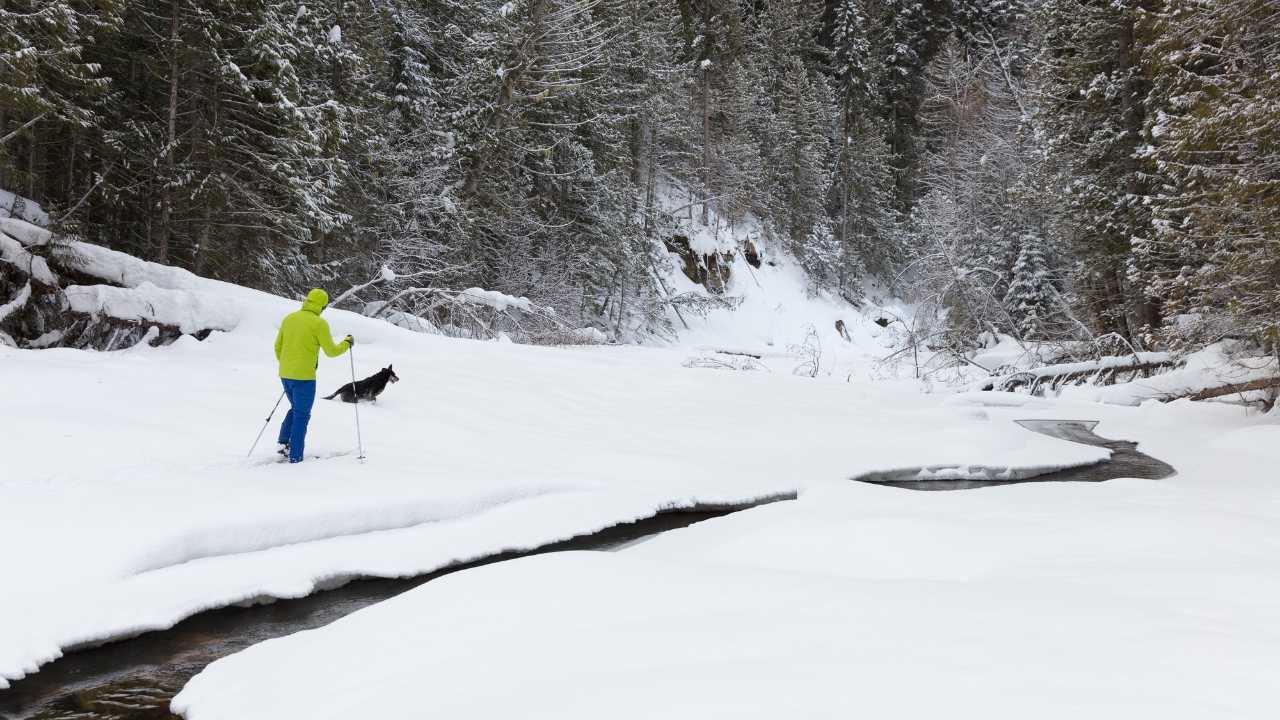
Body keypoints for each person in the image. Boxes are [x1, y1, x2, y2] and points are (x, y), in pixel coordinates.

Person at [274, 288, 353, 463]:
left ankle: (283, 444)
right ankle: (295, 456)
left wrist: (288, 365)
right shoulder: (319, 323)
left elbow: (277, 347)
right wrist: (347, 343)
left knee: (296, 409)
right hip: (304, 378)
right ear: (323, 306)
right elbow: (331, 351)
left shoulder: (289, 319)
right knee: (302, 415)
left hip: (285, 374)